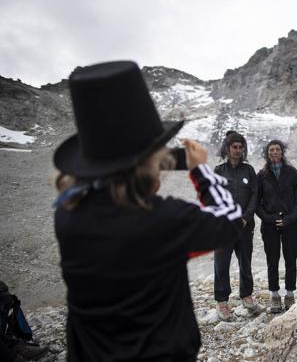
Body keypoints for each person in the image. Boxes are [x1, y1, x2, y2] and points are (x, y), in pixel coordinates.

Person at [53, 61, 242, 361]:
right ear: (148, 161)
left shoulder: (67, 216)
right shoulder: (163, 221)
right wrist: (200, 171)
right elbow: (231, 220)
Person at [213, 131, 259, 320]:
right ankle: (222, 301)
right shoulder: (218, 171)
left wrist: (246, 217)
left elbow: (255, 195)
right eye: (234, 147)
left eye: (241, 147)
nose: (238, 150)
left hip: (245, 226)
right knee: (221, 264)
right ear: (227, 148)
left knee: (245, 261)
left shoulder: (249, 171)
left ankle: (246, 295)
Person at [256, 140, 297, 313]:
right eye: (271, 150)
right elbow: (257, 202)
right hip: (269, 225)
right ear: (267, 154)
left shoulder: (292, 172)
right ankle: (274, 294)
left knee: (291, 259)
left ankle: (290, 293)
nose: (274, 152)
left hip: (291, 224)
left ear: (282, 152)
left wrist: (289, 218)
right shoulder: (261, 175)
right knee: (272, 260)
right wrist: (269, 218)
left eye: (277, 149)